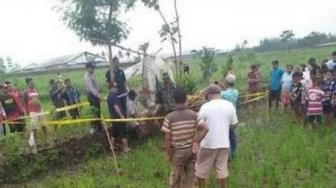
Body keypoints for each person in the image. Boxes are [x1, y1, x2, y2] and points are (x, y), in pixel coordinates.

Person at [161, 88, 208, 188]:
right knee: (190, 179)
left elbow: (168, 139)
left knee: (175, 180)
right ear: (186, 100)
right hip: (191, 151)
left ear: (174, 101)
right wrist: (196, 141)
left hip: (177, 152)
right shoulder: (194, 114)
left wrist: (169, 154)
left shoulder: (169, 117)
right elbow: (205, 128)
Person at [195, 84, 238, 188]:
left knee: (201, 168)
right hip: (224, 143)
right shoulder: (229, 105)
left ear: (209, 95)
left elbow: (198, 124)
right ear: (219, 94)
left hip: (208, 144)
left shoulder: (205, 107)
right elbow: (235, 124)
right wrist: (225, 129)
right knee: (222, 168)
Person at [23, 78, 47, 153]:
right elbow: (24, 102)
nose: (32, 84)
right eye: (31, 83)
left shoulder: (36, 90)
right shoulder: (25, 92)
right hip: (32, 111)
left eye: (33, 83)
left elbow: (39, 98)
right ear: (27, 84)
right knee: (34, 127)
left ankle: (46, 140)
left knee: (44, 125)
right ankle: (34, 143)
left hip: (40, 110)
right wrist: (27, 112)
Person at [107, 82, 129, 152]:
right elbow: (116, 107)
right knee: (123, 131)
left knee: (115, 132)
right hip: (118, 117)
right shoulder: (113, 96)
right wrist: (122, 116)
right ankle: (125, 148)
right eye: (115, 87)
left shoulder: (109, 96)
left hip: (113, 117)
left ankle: (112, 146)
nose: (117, 89)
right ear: (111, 88)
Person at [220, 74, 239, 158]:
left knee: (226, 135)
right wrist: (223, 86)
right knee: (232, 134)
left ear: (227, 82)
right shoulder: (236, 92)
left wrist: (219, 86)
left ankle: (227, 154)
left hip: (225, 117)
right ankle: (234, 152)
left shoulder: (223, 94)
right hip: (233, 115)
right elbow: (229, 92)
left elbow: (221, 94)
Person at [84, 62, 102, 133]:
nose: (93, 69)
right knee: (94, 112)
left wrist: (99, 89)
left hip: (95, 95)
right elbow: (91, 88)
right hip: (92, 96)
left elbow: (95, 84)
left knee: (97, 111)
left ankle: (99, 126)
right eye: (92, 68)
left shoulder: (92, 75)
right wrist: (98, 95)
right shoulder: (87, 77)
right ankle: (94, 128)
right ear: (88, 68)